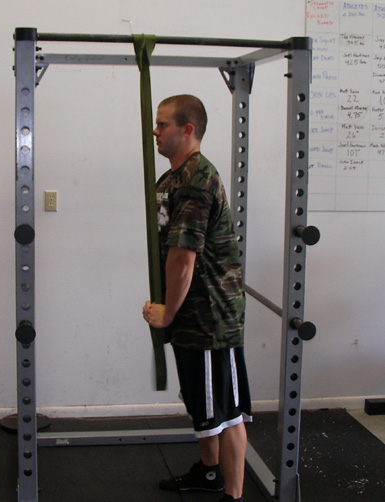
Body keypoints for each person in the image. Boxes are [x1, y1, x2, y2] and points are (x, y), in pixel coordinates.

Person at [142, 95, 251, 502]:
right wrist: (170, 309)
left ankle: (233, 495)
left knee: (226, 412)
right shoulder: (171, 180)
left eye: (162, 124)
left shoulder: (195, 180)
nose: (155, 131)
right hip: (190, 312)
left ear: (187, 130)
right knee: (202, 404)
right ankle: (209, 472)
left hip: (211, 319)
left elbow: (183, 258)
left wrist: (167, 313)